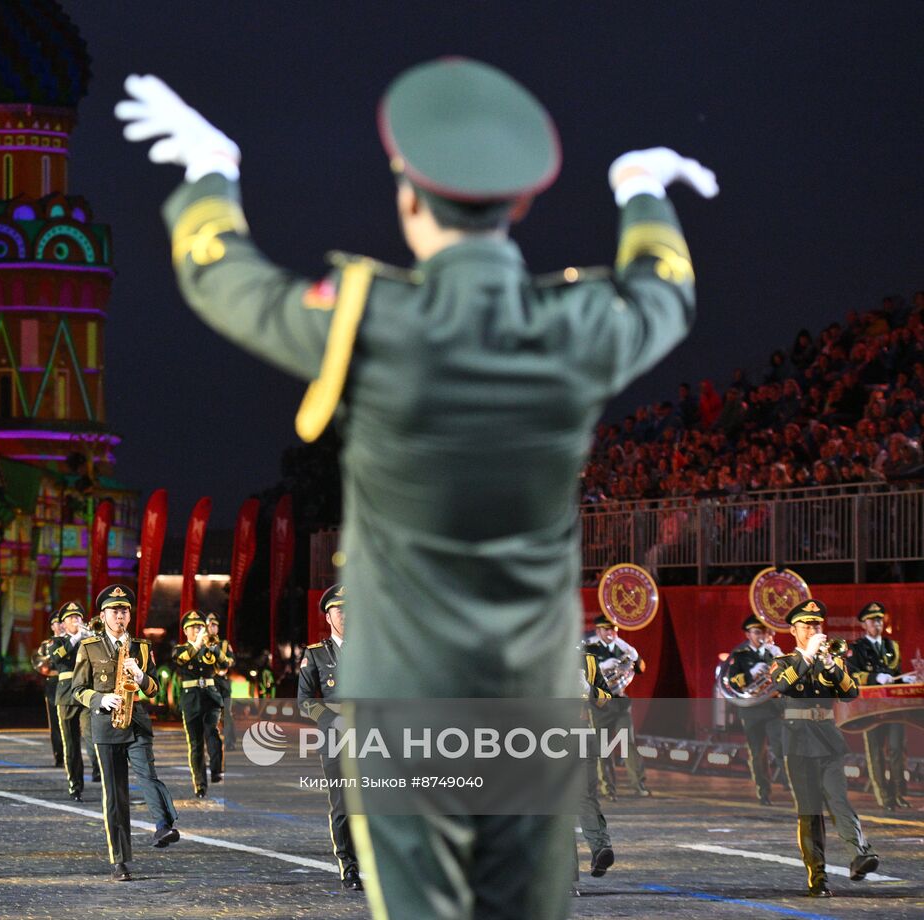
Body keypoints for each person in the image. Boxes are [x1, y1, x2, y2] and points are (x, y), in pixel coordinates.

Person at [116, 56, 716, 919]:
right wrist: (641, 191)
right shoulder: (578, 323)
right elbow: (666, 292)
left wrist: (213, 173)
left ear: (408, 198)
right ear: (524, 203)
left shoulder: (373, 318)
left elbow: (226, 279)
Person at [769, 599, 879, 897]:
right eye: (807, 626)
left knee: (839, 799)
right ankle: (817, 877)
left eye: (817, 625)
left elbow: (850, 693)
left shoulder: (831, 660)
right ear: (794, 630)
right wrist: (806, 655)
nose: (814, 630)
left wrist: (832, 666)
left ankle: (860, 855)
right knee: (810, 812)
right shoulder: (785, 662)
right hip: (799, 741)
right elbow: (784, 687)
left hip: (828, 739)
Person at [69, 584, 180, 880]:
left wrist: (142, 676)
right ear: (103, 615)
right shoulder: (89, 647)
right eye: (115, 611)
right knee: (115, 794)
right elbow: (77, 689)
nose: (120, 616)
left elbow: (154, 688)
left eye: (124, 611)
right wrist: (101, 699)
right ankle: (119, 860)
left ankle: (163, 826)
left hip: (137, 721)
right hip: (105, 724)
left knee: (148, 774)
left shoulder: (142, 647)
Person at [297, 586, 361, 891]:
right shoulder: (316, 654)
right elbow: (304, 700)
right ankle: (348, 866)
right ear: (328, 616)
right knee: (342, 803)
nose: (345, 615)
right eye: (339, 610)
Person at [850, 602, 911, 809]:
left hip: (892, 706)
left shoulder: (891, 646)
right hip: (870, 708)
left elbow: (897, 675)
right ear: (864, 624)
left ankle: (898, 793)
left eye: (879, 620)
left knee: (897, 748)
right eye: (872, 620)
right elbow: (853, 676)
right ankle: (884, 797)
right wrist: (876, 677)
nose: (876, 624)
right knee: (876, 751)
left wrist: (907, 680)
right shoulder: (856, 648)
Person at [583, 615, 651, 798]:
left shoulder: (623, 647)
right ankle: (608, 789)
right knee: (602, 747)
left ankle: (639, 785)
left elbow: (641, 669)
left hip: (620, 701)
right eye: (607, 630)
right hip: (599, 704)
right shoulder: (588, 646)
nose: (611, 633)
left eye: (613, 630)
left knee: (628, 743)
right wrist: (602, 666)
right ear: (598, 631)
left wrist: (635, 658)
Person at [723, 613, 786, 805]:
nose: (761, 636)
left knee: (781, 746)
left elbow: (786, 679)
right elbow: (732, 681)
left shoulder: (773, 652)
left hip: (773, 707)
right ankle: (764, 791)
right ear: (748, 635)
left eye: (764, 632)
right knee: (758, 753)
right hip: (751, 710)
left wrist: (780, 660)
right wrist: (750, 673)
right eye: (757, 632)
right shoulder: (740, 656)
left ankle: (789, 782)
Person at [172, 609, 224, 796]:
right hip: (191, 699)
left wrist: (213, 648)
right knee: (195, 743)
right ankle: (200, 784)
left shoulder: (209, 648)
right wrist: (196, 644)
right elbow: (180, 660)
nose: (197, 630)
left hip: (210, 696)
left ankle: (217, 769)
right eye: (193, 628)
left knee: (212, 732)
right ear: (186, 631)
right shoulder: (180, 649)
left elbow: (224, 665)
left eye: (200, 627)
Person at [577, 648, 615, 880]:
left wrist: (589, 690)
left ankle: (563, 876)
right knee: (584, 797)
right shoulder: (588, 659)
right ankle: (600, 846)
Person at [51, 601, 95, 801]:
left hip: (86, 693)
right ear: (63, 624)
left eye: (77, 617)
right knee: (71, 744)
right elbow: (57, 659)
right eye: (70, 618)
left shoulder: (89, 640)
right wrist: (76, 638)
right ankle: (75, 785)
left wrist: (91, 639)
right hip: (66, 695)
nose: (75, 621)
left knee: (92, 735)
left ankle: (99, 772)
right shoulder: (58, 642)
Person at [35, 610, 66, 768]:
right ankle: (59, 755)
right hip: (53, 683)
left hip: (70, 682)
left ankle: (70, 754)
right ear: (52, 626)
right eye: (56, 623)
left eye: (61, 622)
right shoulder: (46, 645)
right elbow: (39, 663)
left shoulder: (72, 641)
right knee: (55, 722)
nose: (59, 626)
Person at [206, 612, 236, 752]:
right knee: (210, 712)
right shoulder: (203, 644)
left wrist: (220, 655)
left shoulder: (224, 644)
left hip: (223, 680)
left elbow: (232, 661)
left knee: (227, 713)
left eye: (215, 626)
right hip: (210, 680)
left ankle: (230, 742)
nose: (213, 628)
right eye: (211, 626)